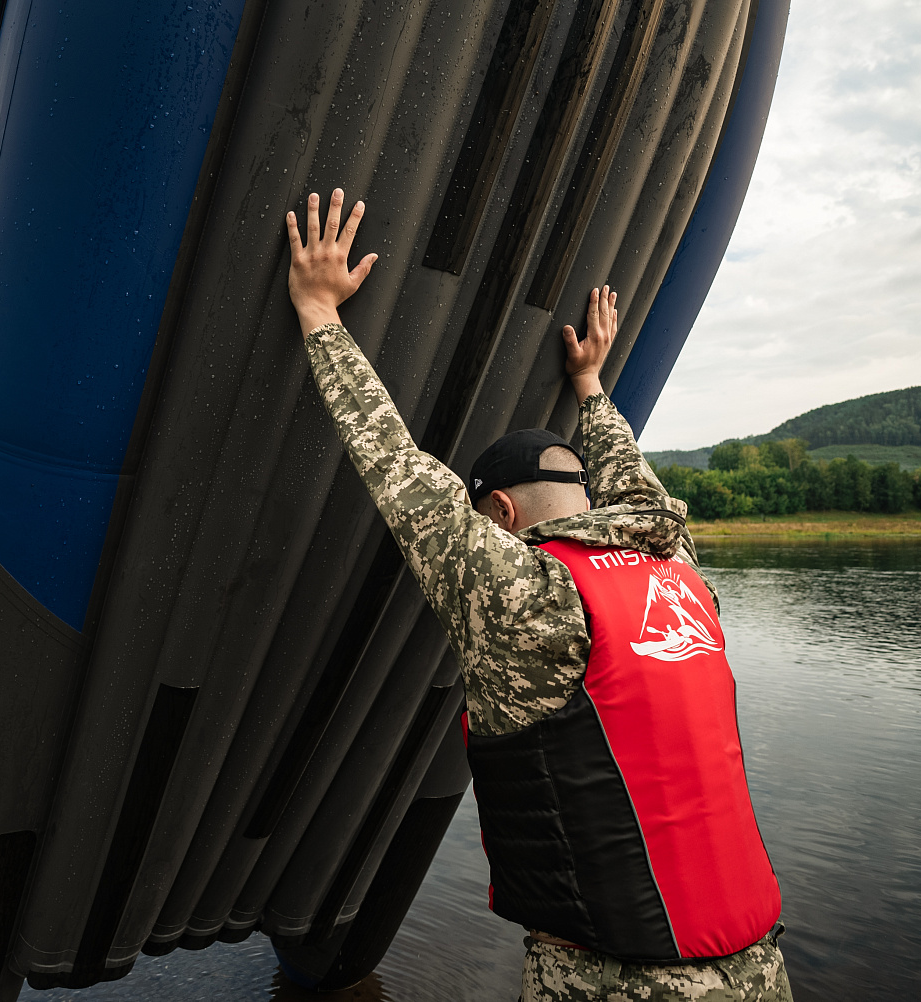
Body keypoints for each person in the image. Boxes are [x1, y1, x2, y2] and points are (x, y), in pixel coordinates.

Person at [285, 188, 792, 1002]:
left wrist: (318, 312)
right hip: (760, 968)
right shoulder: (681, 570)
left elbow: (395, 466)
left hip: (616, 979)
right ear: (586, 498)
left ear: (501, 513)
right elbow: (635, 484)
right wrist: (589, 386)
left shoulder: (528, 594)